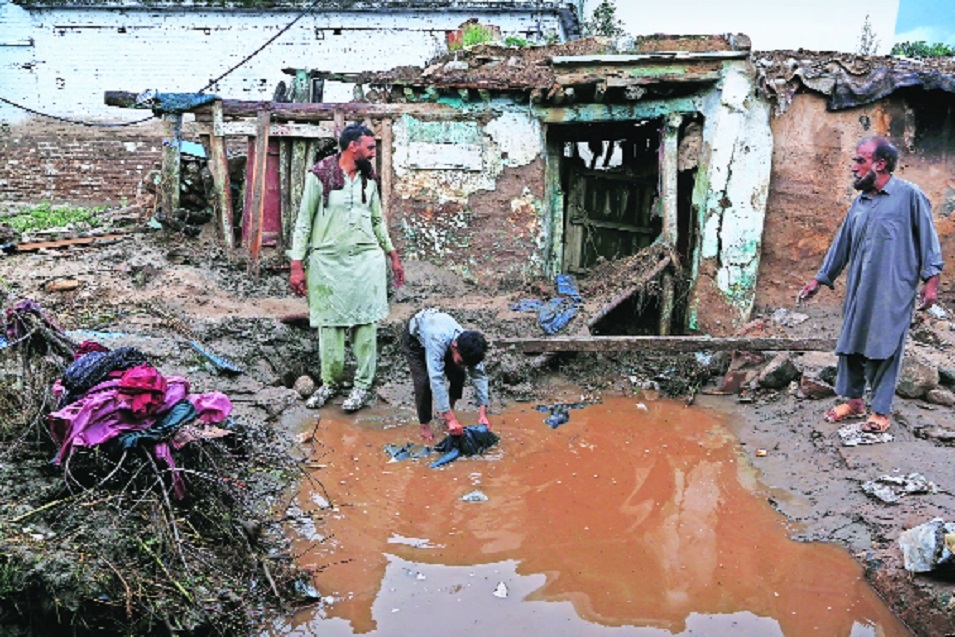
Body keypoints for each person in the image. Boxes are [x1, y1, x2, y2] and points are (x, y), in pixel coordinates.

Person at [798, 136, 943, 434]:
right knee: (851, 344)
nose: (853, 167)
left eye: (859, 161)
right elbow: (842, 244)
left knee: (884, 346)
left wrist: (931, 282)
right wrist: (820, 278)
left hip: (893, 289)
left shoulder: (910, 196)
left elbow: (929, 240)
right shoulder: (861, 202)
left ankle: (880, 411)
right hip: (858, 289)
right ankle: (854, 402)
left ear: (880, 164)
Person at [289, 123, 404, 412]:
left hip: (366, 262)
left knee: (366, 324)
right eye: (370, 147)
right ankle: (330, 383)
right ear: (353, 146)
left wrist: (392, 254)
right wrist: (296, 264)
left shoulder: (369, 180)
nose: (373, 153)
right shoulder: (319, 176)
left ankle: (362, 387)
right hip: (328, 263)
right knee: (330, 325)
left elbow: (377, 220)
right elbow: (304, 221)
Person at [404, 308, 491, 442]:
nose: (464, 365)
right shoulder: (437, 339)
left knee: (459, 373)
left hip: (441, 337)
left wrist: (483, 413)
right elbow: (436, 379)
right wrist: (451, 420)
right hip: (416, 340)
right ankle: (424, 426)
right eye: (462, 362)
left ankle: (447, 410)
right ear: (455, 347)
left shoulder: (469, 345)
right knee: (424, 382)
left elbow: (479, 376)